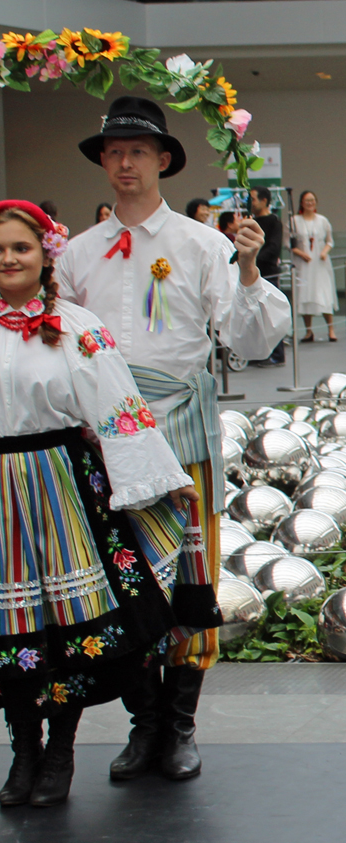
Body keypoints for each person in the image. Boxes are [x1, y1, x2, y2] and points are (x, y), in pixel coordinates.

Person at [0, 199, 222, 808]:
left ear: (46, 255)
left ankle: (60, 754)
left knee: (61, 628)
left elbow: (119, 410)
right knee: (7, 627)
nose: (8, 259)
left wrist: (165, 480)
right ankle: (24, 752)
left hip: (59, 486)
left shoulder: (77, 327)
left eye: (21, 247)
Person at [56, 95, 291, 783]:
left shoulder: (204, 245)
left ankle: (182, 723)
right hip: (106, 439)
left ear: (162, 160)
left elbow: (251, 337)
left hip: (181, 432)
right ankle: (145, 723)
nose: (125, 161)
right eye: (114, 151)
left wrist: (249, 268)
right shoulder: (75, 254)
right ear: (103, 162)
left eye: (138, 150)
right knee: (120, 577)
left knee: (190, 573)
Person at [290, 190, 338, 342]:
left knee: (324, 292)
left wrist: (324, 252)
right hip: (303, 263)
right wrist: (300, 253)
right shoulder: (294, 221)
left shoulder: (322, 220)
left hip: (320, 263)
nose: (310, 203)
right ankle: (308, 331)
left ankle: (331, 329)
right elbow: (288, 243)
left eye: (312, 200)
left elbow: (330, 241)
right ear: (301, 203)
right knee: (305, 293)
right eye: (307, 200)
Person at [250, 186, 285, 366]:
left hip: (268, 272)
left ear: (264, 201)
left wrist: (254, 260)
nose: (251, 203)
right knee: (255, 315)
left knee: (271, 314)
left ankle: (277, 355)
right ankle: (260, 353)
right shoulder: (252, 221)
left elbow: (274, 247)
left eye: (254, 199)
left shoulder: (274, 222)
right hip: (253, 274)